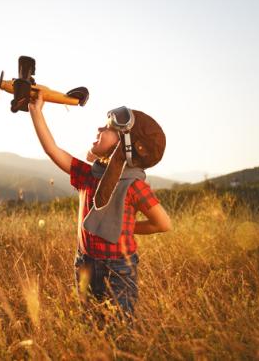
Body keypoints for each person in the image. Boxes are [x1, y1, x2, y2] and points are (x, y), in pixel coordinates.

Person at [28, 92, 171, 322]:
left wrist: (129, 228)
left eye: (107, 129)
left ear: (126, 144)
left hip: (119, 271)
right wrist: (36, 112)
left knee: (118, 328)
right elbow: (52, 150)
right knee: (89, 325)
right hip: (84, 263)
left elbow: (163, 223)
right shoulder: (88, 175)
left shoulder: (134, 186)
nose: (99, 129)